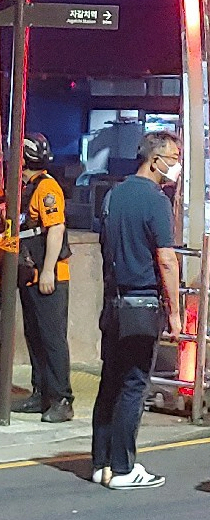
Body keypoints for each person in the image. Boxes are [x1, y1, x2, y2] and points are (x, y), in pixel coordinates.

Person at [92, 131, 183, 489]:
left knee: (110, 383)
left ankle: (101, 464)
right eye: (173, 158)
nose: (176, 165)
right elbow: (166, 259)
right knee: (133, 385)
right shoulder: (156, 201)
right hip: (142, 305)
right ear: (154, 159)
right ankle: (124, 468)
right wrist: (174, 312)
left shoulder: (114, 195)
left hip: (112, 304)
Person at [10, 133, 74, 422]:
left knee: (51, 339)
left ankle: (62, 399)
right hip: (29, 273)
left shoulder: (47, 188)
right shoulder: (26, 187)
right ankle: (41, 394)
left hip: (48, 275)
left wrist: (48, 270)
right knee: (34, 336)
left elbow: (56, 230)